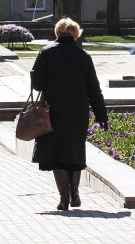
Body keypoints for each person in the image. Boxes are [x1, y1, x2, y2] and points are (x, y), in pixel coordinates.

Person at [30, 17, 108, 211]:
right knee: (74, 153)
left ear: (57, 32)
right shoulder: (83, 56)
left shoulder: (46, 53)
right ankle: (75, 193)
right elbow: (94, 90)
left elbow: (37, 84)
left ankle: (64, 199)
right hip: (78, 113)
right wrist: (101, 115)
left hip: (53, 113)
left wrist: (36, 74)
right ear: (76, 33)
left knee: (57, 155)